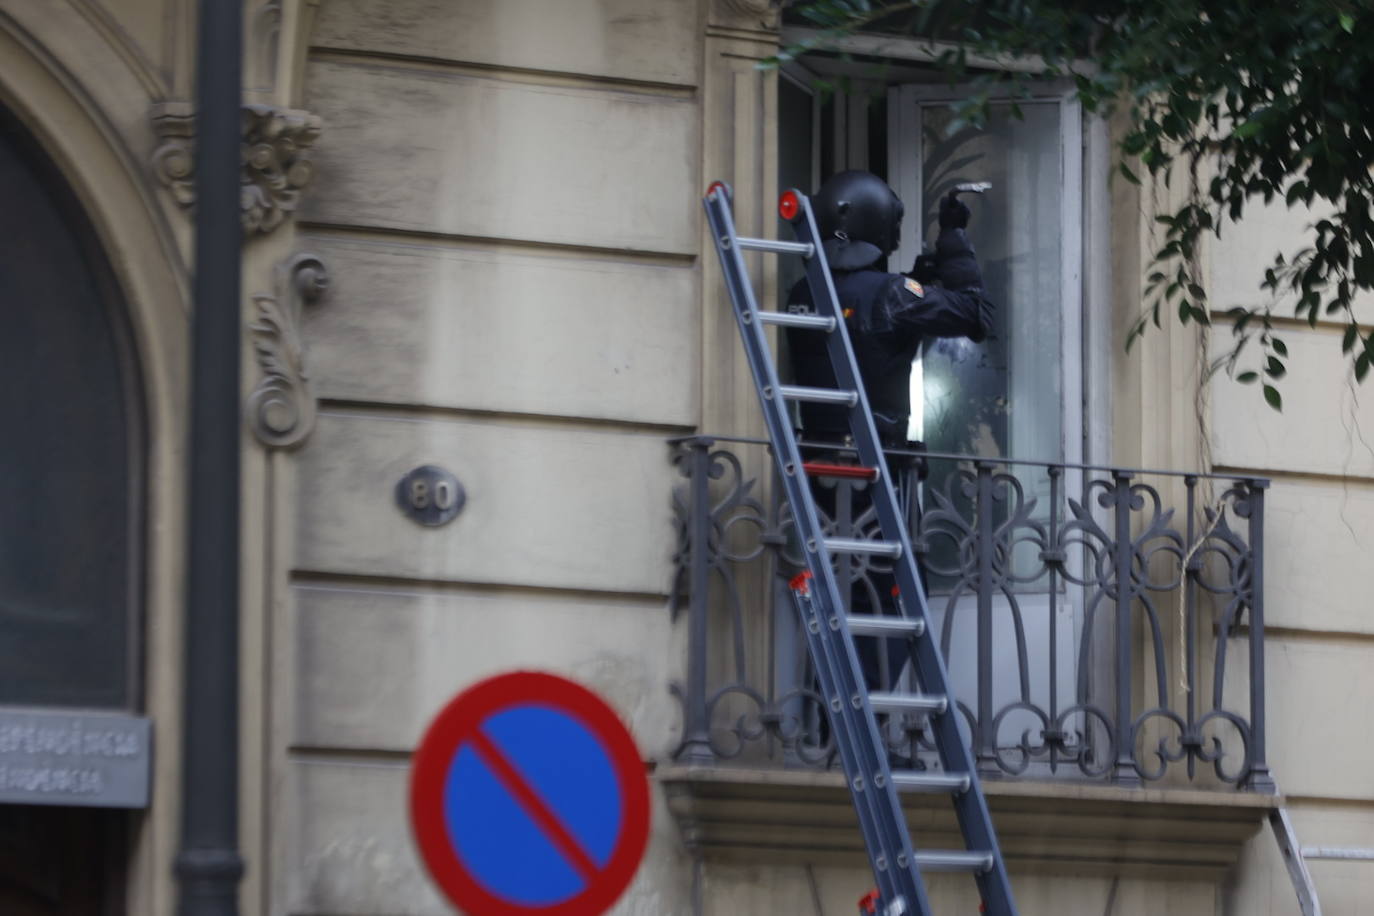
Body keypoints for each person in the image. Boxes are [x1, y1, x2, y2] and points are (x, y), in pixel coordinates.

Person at [784, 169, 994, 691]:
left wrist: (921, 274)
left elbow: (865, 320)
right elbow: (977, 314)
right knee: (895, 599)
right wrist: (954, 240)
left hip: (821, 473)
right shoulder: (894, 295)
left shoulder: (800, 292)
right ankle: (865, 733)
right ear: (880, 228)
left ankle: (829, 729)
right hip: (878, 476)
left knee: (841, 602)